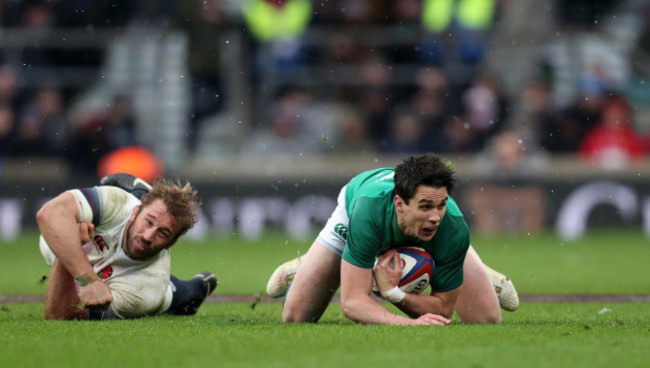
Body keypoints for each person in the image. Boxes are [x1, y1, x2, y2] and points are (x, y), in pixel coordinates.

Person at [266, 153, 519, 325]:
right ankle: (320, 262)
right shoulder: (367, 212)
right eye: (425, 206)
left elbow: (443, 309)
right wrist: (409, 324)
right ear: (400, 204)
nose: (435, 217)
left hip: (428, 238)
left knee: (485, 318)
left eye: (441, 205)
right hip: (360, 212)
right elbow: (353, 302)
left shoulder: (451, 225)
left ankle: (470, 266)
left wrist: (393, 294)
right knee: (296, 317)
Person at [37, 173, 217, 320]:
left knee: (175, 295)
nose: (148, 236)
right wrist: (87, 278)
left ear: (170, 244)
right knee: (50, 241)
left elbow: (59, 315)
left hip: (144, 279)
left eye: (163, 233)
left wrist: (74, 249)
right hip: (128, 210)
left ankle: (195, 289)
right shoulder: (119, 203)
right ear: (135, 213)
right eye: (148, 222)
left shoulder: (145, 291)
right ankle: (139, 193)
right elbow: (49, 213)